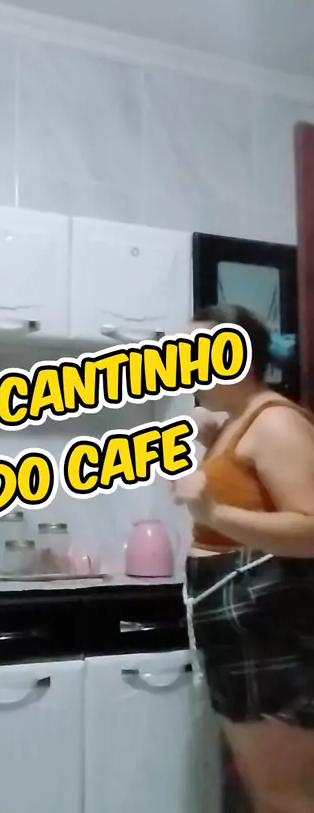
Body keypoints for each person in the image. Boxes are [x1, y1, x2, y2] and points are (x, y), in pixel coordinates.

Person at [173, 303, 314, 813]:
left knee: (284, 797)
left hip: (270, 629)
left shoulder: (275, 423)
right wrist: (214, 438)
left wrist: (212, 511)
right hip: (244, 629)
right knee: (265, 792)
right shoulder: (240, 422)